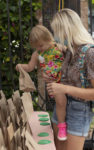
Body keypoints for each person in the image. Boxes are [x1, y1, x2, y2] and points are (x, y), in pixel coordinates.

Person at [45, 8, 94, 150]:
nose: (56, 36)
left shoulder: (90, 53)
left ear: (67, 30)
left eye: (57, 32)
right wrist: (52, 79)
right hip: (61, 107)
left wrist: (64, 88)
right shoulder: (70, 51)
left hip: (79, 111)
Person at [16, 25, 68, 140]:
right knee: (60, 102)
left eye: (41, 45)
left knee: (67, 102)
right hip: (54, 83)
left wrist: (64, 48)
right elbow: (30, 67)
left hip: (67, 80)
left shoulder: (59, 47)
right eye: (36, 47)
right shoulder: (37, 54)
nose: (39, 48)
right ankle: (62, 126)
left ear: (49, 38)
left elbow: (72, 55)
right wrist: (20, 66)